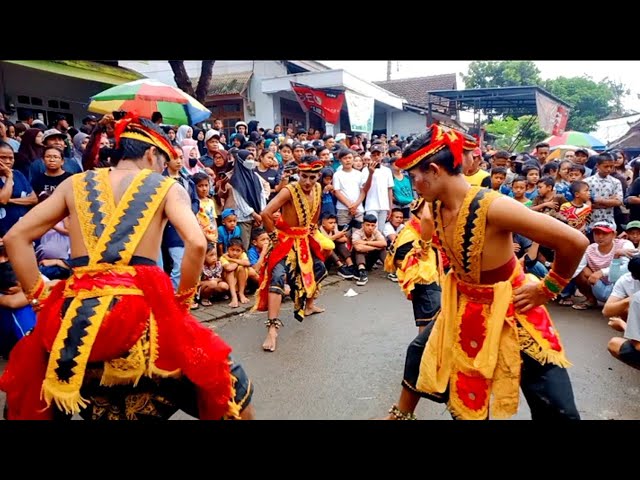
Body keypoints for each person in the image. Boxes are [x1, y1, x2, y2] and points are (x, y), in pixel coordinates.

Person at [0, 114, 254, 420]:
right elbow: (198, 244)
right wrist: (182, 305)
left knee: (29, 388)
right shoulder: (164, 186)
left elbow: (16, 237)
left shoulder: (73, 183)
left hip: (75, 317)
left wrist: (41, 301)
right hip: (140, 309)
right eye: (164, 161)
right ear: (150, 154)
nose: (164, 169)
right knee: (231, 388)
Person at [386, 124, 589, 420]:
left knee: (556, 407)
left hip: (512, 308)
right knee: (427, 356)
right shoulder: (436, 205)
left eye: (415, 177)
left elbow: (575, 241)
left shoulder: (494, 206)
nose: (413, 185)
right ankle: (402, 414)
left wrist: (547, 288)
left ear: (433, 170)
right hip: (465, 304)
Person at [253, 160, 328, 352]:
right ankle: (272, 328)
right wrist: (273, 236)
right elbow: (265, 213)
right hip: (285, 241)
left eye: (312, 177)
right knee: (278, 277)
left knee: (318, 267)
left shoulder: (318, 188)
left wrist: (313, 226)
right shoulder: (289, 190)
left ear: (317, 177)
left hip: (304, 239)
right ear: (299, 175)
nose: (308, 182)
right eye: (304, 177)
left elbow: (316, 209)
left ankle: (310, 305)